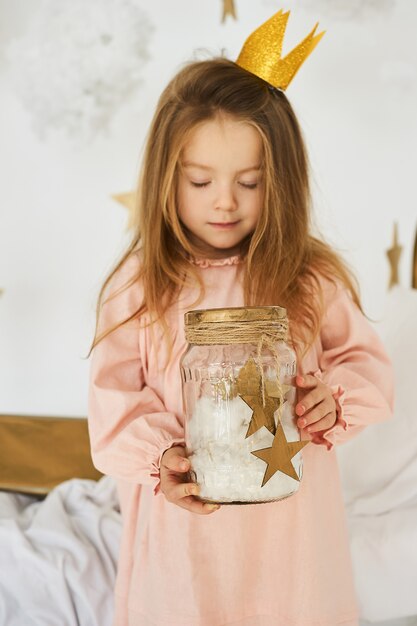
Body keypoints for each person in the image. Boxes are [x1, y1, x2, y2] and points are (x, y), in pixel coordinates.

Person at [88, 9, 393, 626]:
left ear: (280, 181)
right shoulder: (141, 286)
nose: (224, 201)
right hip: (184, 538)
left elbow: (368, 368)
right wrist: (161, 458)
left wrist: (331, 400)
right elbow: (112, 402)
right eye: (200, 181)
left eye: (249, 182)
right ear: (165, 178)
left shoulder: (309, 282)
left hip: (293, 545)